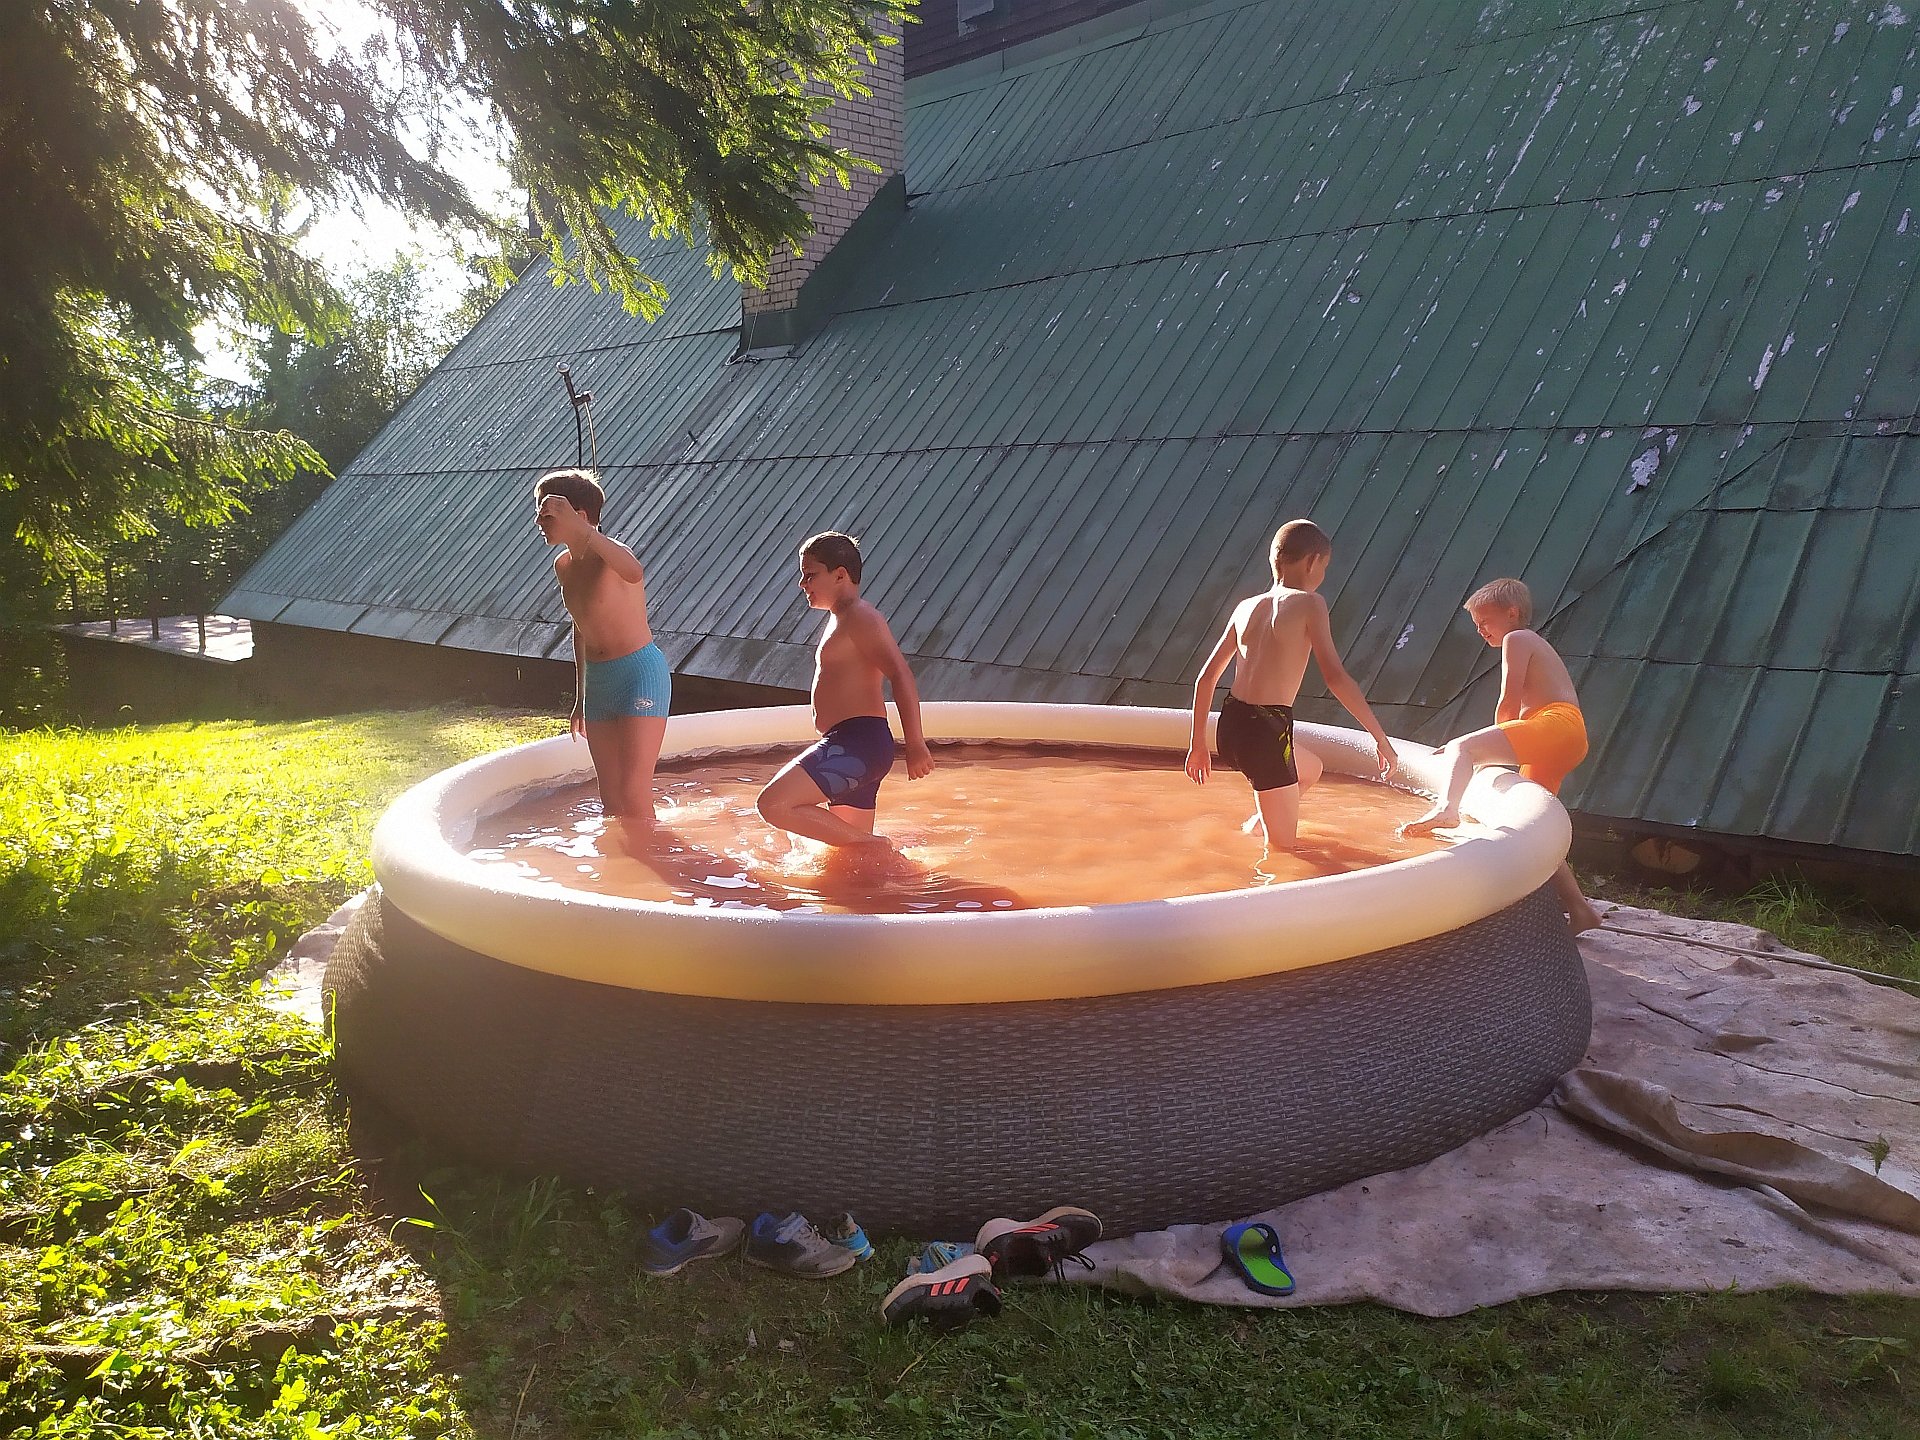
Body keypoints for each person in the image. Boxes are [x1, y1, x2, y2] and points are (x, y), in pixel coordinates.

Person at [1399, 577, 1603, 934]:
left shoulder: (1517, 638)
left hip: (1557, 724)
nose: (1480, 630)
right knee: (1532, 829)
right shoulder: (1530, 641)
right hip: (1565, 736)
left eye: (1484, 621)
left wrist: (1479, 748)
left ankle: (1447, 810)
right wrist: (1487, 747)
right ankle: (1580, 909)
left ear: (1512, 613)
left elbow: (1508, 701)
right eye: (1476, 624)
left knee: (1461, 747)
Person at [1185, 519, 1396, 855]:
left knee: (1310, 768)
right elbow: (1336, 678)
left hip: (1231, 726)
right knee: (1284, 853)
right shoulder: (1310, 603)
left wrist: (1198, 745)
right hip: (1268, 732)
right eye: (1324, 566)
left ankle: (1260, 822)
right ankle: (1265, 845)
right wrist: (1380, 738)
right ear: (1313, 562)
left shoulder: (1245, 607)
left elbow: (1206, 678)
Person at [757, 532, 934, 848]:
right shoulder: (841, 618)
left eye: (810, 575)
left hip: (857, 744)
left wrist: (915, 743)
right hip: (853, 745)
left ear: (840, 575)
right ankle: (884, 858)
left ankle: (879, 847)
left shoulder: (860, 616)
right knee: (850, 856)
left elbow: (900, 674)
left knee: (773, 804)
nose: (802, 584)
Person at [534, 468, 668, 824]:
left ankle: (653, 858)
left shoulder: (612, 556)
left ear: (578, 515)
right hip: (600, 682)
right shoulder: (563, 565)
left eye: (548, 514)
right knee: (610, 801)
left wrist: (585, 531)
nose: (539, 522)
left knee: (634, 794)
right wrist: (581, 696)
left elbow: (634, 571)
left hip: (639, 674)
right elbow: (581, 628)